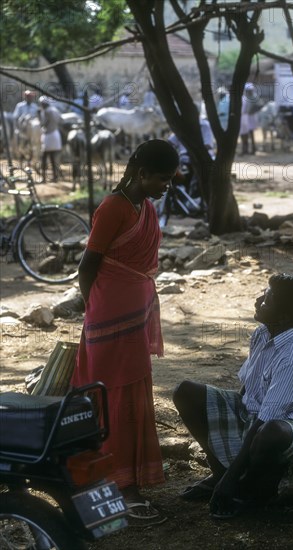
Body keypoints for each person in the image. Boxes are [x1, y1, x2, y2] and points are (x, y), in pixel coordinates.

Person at [70, 139, 179, 525]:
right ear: (142, 172)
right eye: (163, 179)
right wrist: (95, 309)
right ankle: (116, 483)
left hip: (134, 315)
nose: (167, 186)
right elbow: (88, 266)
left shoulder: (144, 207)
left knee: (134, 390)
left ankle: (128, 477)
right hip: (107, 317)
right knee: (109, 393)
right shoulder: (113, 207)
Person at [173, 273, 293, 520]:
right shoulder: (263, 332)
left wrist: (233, 477)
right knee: (186, 392)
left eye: (266, 299)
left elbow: (266, 421)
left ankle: (254, 495)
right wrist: (229, 421)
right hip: (257, 415)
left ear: (284, 317)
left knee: (270, 432)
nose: (258, 300)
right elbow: (248, 390)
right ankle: (219, 473)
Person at [38, 96, 63, 183]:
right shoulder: (55, 110)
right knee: (53, 158)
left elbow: (43, 123)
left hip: (48, 135)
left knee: (44, 157)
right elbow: (61, 120)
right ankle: (55, 177)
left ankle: (44, 178)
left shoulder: (46, 112)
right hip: (56, 134)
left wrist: (39, 115)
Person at [239, 83, 259, 155]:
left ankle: (252, 148)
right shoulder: (246, 98)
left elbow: (255, 107)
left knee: (250, 133)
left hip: (250, 117)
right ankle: (248, 149)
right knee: (247, 134)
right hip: (247, 117)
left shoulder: (253, 97)